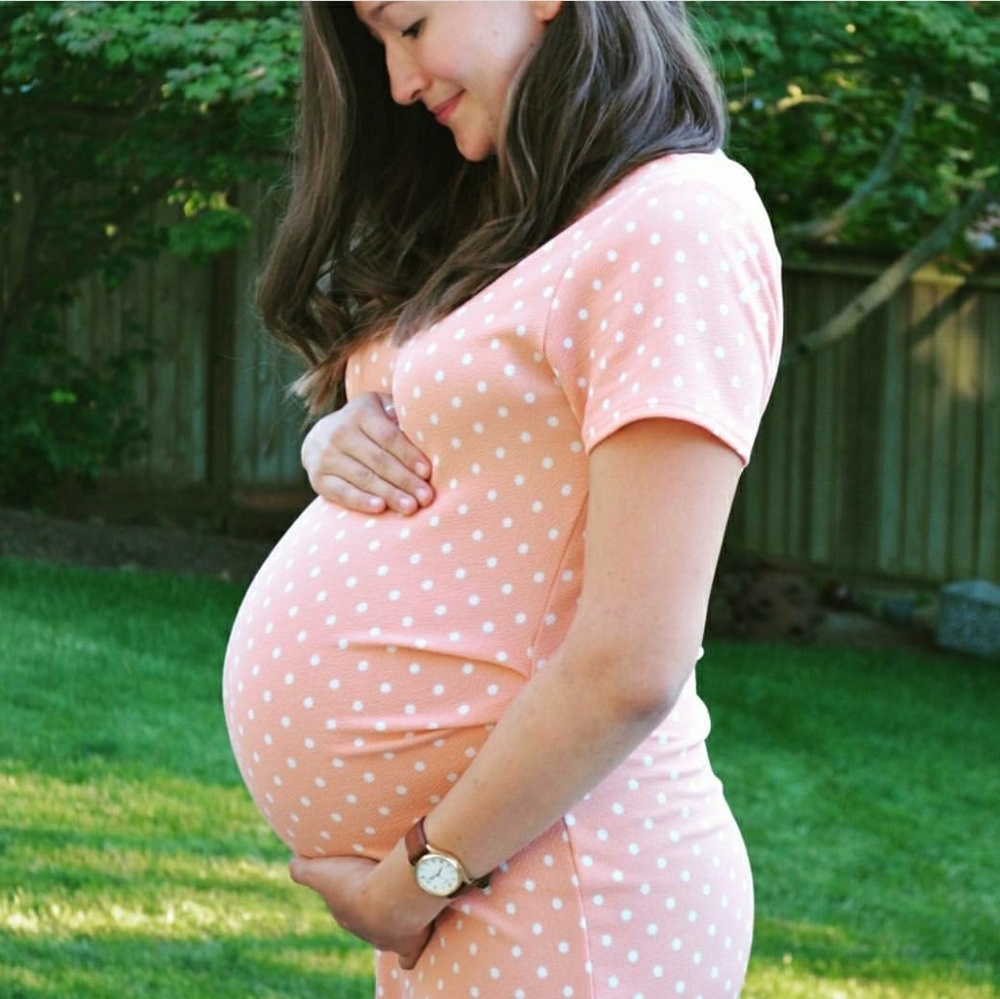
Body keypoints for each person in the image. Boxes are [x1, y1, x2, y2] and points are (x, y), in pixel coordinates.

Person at [222, 2, 783, 997]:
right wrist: (334, 438)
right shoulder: (528, 221)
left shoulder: (678, 220)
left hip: (568, 887)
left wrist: (416, 882)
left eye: (408, 25)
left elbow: (631, 665)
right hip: (490, 884)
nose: (398, 83)